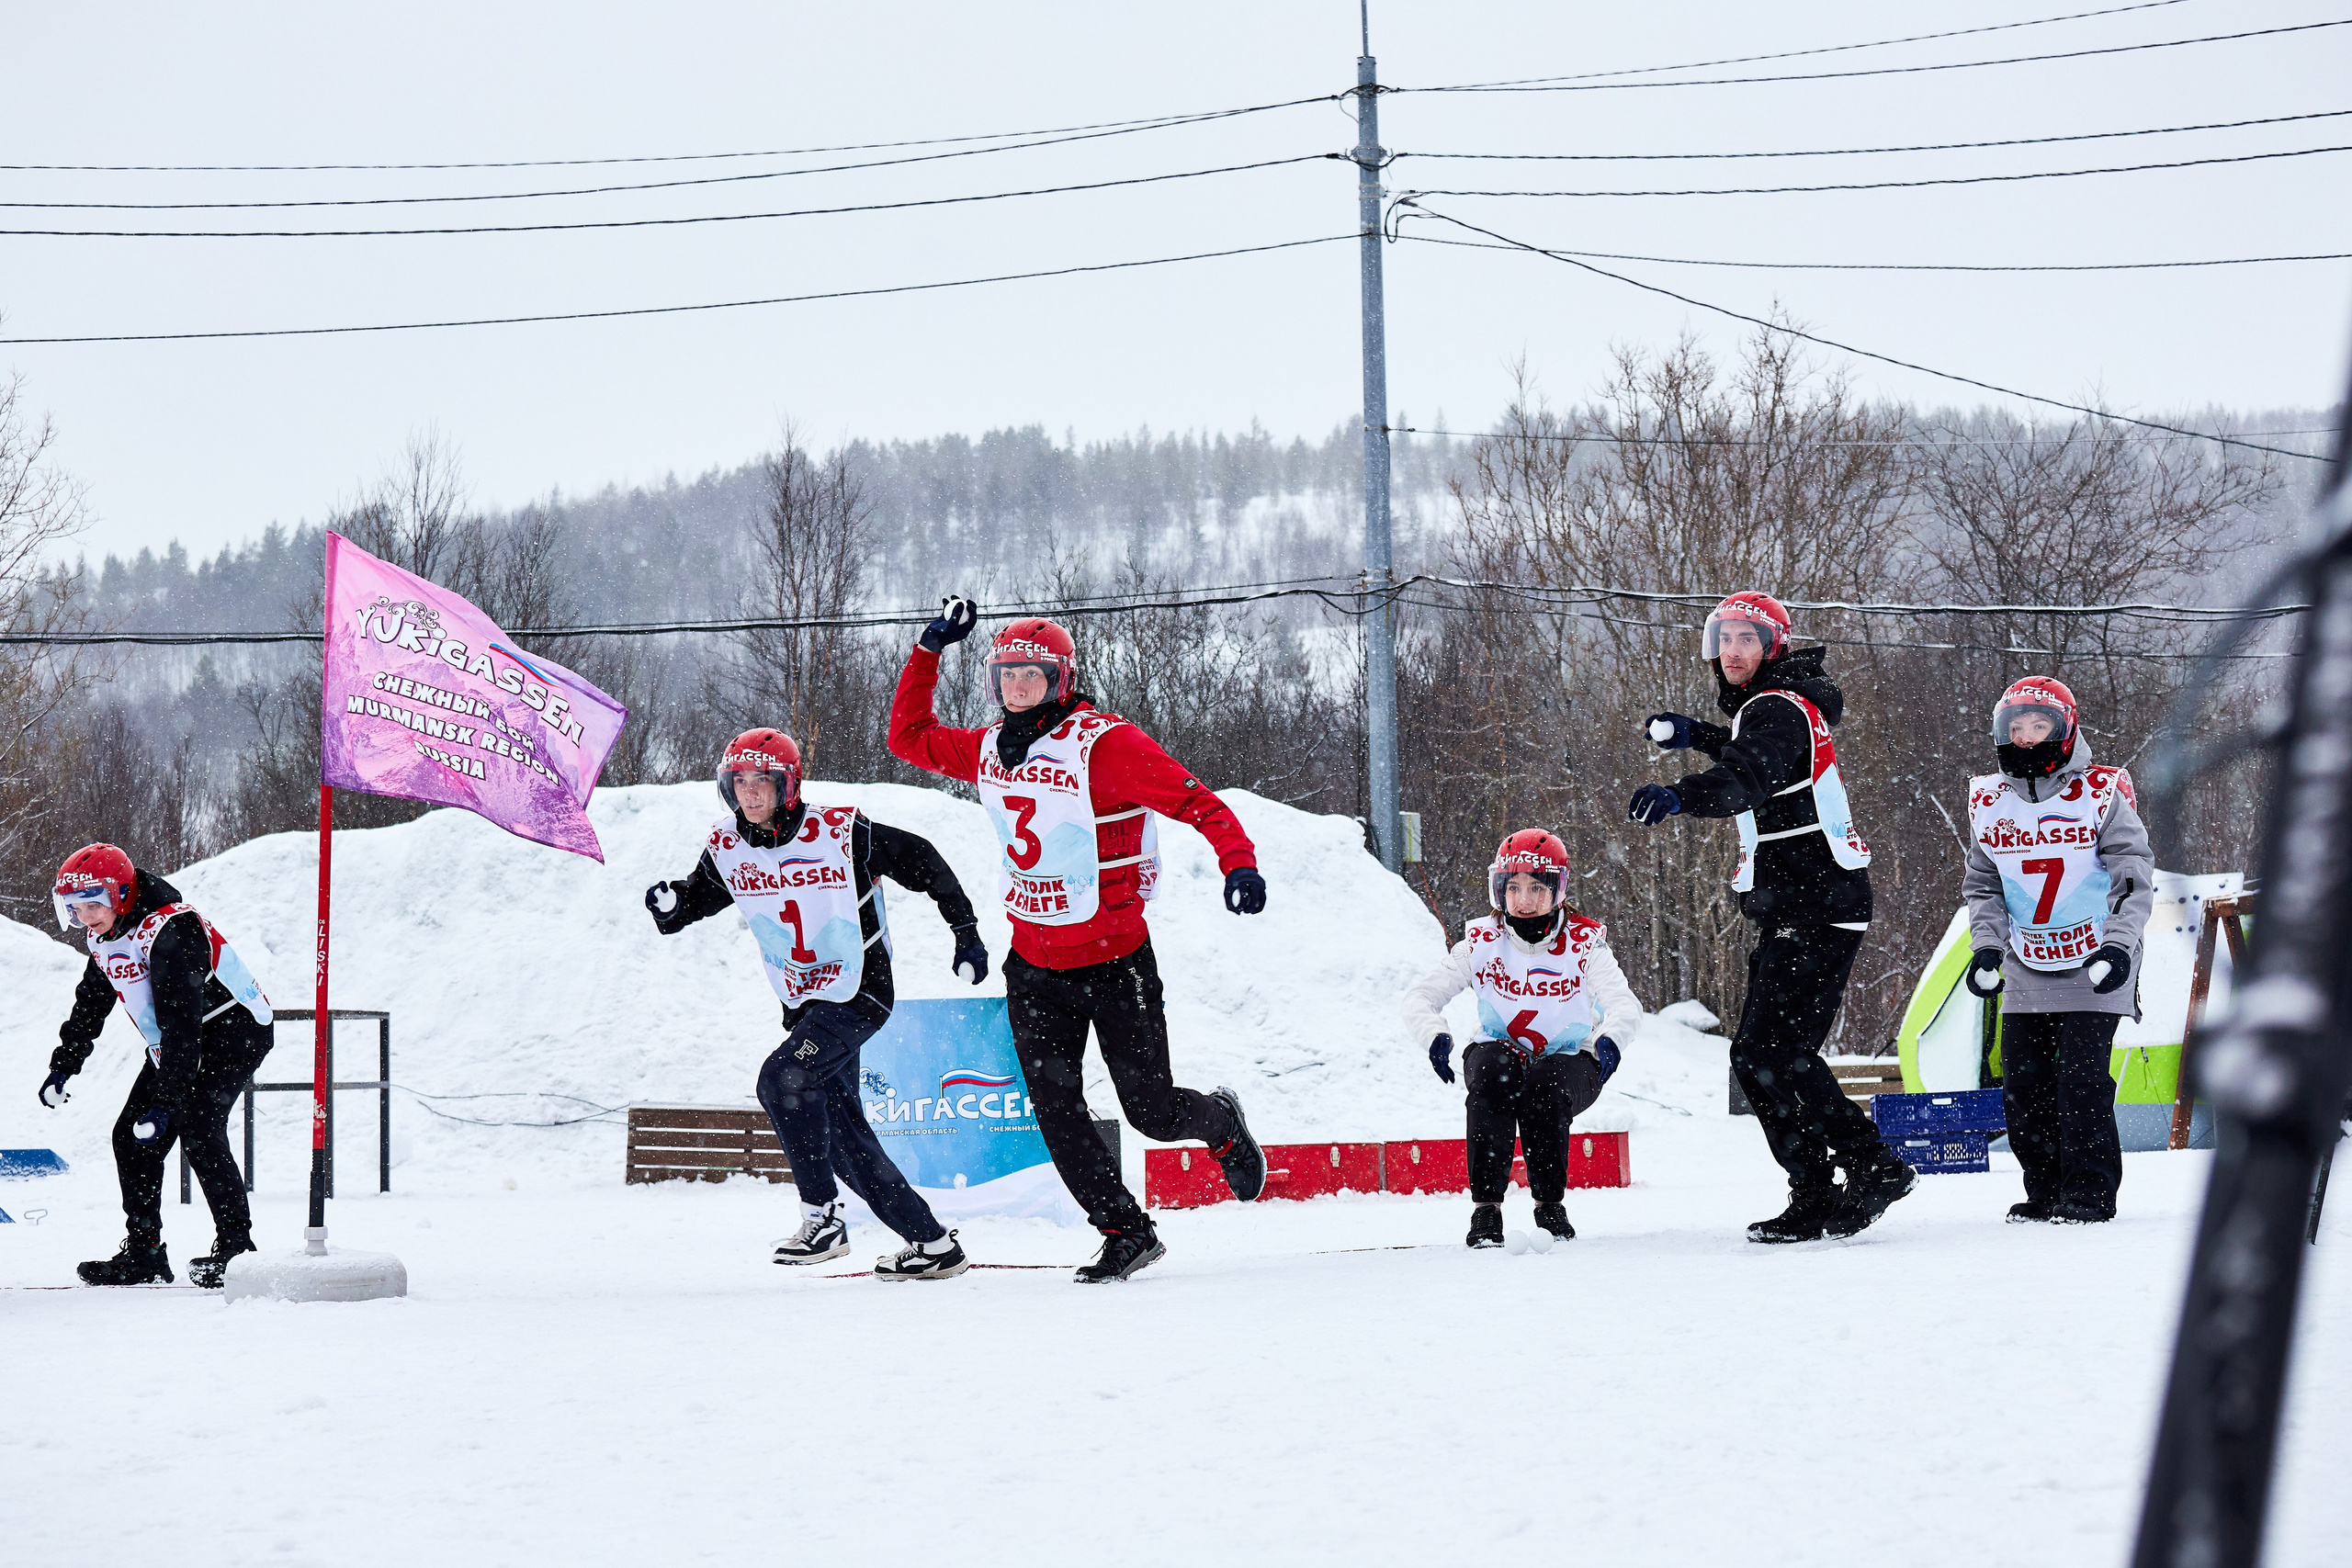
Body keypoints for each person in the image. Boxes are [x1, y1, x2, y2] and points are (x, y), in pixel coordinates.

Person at [889, 598, 1269, 1283]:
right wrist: (928, 651)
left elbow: (1197, 800)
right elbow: (908, 736)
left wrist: (1237, 861)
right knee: (1056, 1111)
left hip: (1116, 963)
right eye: (1004, 675)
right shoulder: (985, 747)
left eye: (1029, 675)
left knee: (1150, 1112)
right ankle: (1125, 1230)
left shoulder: (1105, 743)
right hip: (1035, 967)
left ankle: (1220, 1123)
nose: (1015, 687)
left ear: (1060, 678)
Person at [646, 728, 989, 1280]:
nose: (750, 792)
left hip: (860, 992)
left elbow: (923, 860)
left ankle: (822, 1217)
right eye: (739, 781)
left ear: (789, 784)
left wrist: (965, 930)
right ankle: (931, 1243)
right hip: (806, 1004)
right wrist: (672, 905)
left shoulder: (840, 831)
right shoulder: (727, 846)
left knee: (781, 1080)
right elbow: (699, 899)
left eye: (763, 780)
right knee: (841, 1133)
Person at [1631, 591, 1914, 1242]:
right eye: (1724, 637)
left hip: (1818, 906)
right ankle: (1820, 1184)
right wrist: (1696, 734)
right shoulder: (1780, 706)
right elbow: (1750, 751)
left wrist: (1679, 795)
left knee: (1770, 1052)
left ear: (1773, 649)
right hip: (1802, 904)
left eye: (1747, 639)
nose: (1732, 650)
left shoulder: (1777, 709)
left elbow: (1747, 778)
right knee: (1768, 1054)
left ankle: (1868, 1165)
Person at [1961, 677, 2154, 1224]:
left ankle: (2090, 1192)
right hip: (2028, 959)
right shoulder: (1988, 799)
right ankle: (2044, 1188)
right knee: (2023, 1082)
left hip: (2096, 958)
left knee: (2081, 1079)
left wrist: (2119, 947)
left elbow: (2134, 878)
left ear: (2065, 730)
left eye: (2038, 726)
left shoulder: (2102, 791)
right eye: (2014, 728)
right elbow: (1984, 886)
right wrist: (1987, 948)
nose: (2025, 739)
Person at [40, 843, 276, 1288]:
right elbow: (92, 1002)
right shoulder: (105, 934)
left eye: (94, 904)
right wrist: (64, 1066)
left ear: (122, 894)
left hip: (232, 1031)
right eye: (75, 908)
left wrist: (166, 1103)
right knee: (130, 1138)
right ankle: (145, 1254)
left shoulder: (172, 931)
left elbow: (182, 1025)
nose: (86, 917)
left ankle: (237, 1251)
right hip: (179, 1038)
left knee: (200, 1127)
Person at [1401, 830, 1645, 1247]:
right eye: (1513, 887)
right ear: (1499, 889)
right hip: (1501, 1051)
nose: (1524, 900)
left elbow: (1625, 1004)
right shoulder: (1481, 942)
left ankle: (1549, 1204)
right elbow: (1420, 997)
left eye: (1536, 887)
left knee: (1545, 1087)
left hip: (1571, 1059)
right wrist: (1434, 1035)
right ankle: (1485, 1211)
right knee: (1492, 1073)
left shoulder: (1585, 943)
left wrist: (1611, 1039)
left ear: (1558, 890)